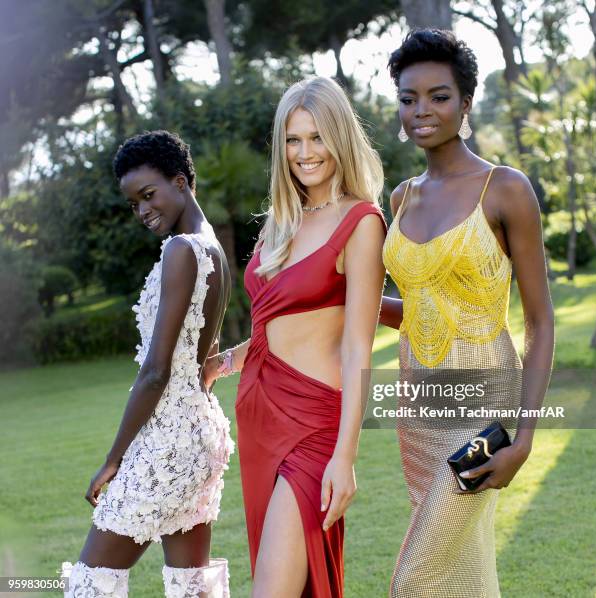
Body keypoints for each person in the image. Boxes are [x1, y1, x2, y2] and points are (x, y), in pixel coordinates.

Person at [380, 30, 554, 597]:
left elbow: (541, 321)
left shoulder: (505, 189)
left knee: (414, 583)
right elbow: (423, 311)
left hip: (486, 411)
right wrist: (339, 298)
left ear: (466, 103)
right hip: (420, 409)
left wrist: (523, 439)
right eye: (409, 99)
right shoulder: (400, 198)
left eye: (438, 96)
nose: (421, 111)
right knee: (463, 576)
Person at [205, 76, 387, 597]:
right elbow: (274, 325)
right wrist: (221, 363)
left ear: (340, 138)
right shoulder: (279, 224)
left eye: (317, 137)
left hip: (313, 428)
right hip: (259, 415)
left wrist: (345, 457)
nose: (305, 153)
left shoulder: (361, 222)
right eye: (293, 140)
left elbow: (356, 345)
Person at [62, 131, 234, 598]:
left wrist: (113, 459)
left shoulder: (181, 251)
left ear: (181, 182)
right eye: (133, 203)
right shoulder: (211, 245)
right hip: (201, 434)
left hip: (168, 441)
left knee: (89, 584)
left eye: (148, 194)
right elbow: (204, 356)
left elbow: (157, 370)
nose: (142, 210)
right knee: (191, 587)